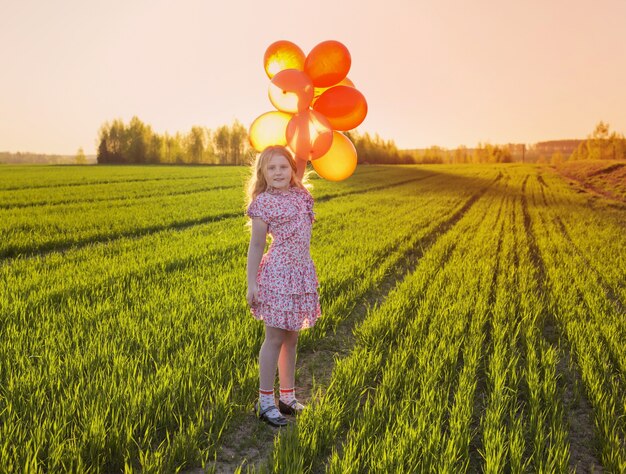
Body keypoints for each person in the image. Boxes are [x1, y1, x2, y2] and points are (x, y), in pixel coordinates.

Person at [245, 145, 321, 427]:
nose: (278, 172)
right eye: (271, 168)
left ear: (293, 170)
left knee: (292, 338)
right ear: (263, 173)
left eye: (283, 167)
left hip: (301, 274)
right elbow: (256, 246)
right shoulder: (264, 203)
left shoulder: (301, 196)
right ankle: (265, 401)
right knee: (275, 338)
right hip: (278, 275)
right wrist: (251, 284)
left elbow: (301, 153)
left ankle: (287, 397)